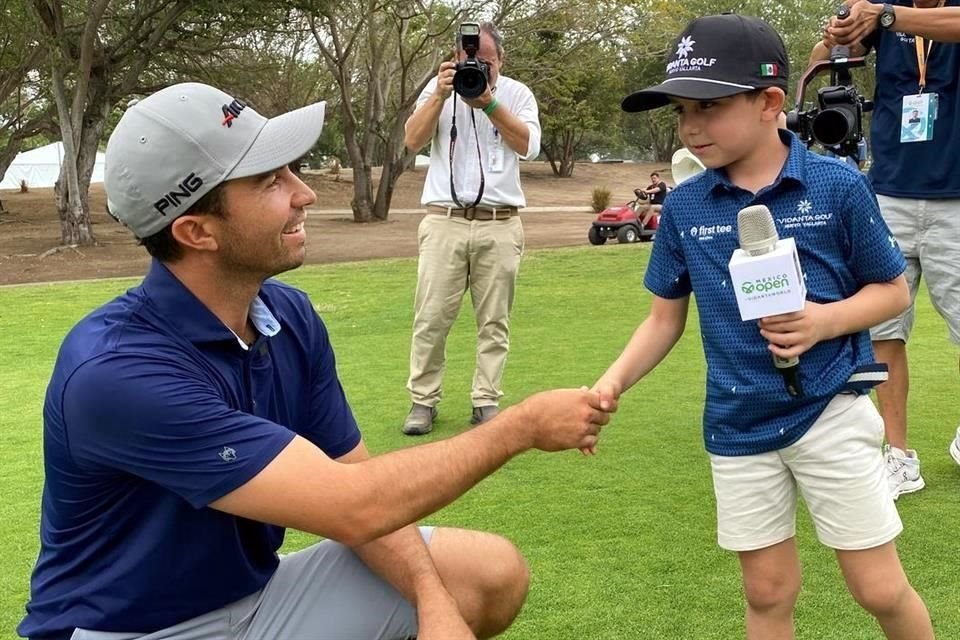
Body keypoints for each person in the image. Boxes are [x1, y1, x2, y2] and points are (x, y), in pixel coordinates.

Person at [17, 82, 614, 640]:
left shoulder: (286, 313)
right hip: (130, 629)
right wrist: (521, 427)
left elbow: (356, 477)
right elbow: (353, 506)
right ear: (197, 231)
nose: (303, 193)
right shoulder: (115, 372)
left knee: (485, 573)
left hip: (258, 599)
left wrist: (433, 601)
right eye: (270, 181)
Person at [602, 14, 933, 639]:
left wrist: (823, 322)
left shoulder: (836, 185)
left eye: (709, 106)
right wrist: (611, 384)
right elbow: (662, 319)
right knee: (766, 592)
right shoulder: (685, 205)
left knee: (879, 587)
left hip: (830, 411)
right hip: (735, 423)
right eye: (680, 110)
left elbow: (891, 291)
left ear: (769, 102)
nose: (691, 127)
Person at [811, 0, 960, 499]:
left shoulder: (899, 13)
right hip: (889, 193)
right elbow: (825, 58)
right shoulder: (878, 10)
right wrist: (842, 33)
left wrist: (887, 17)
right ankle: (898, 455)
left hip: (956, 197)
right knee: (884, 331)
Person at [401, 22, 541, 435]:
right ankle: (422, 402)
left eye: (487, 60)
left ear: (500, 60)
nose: (478, 66)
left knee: (494, 321)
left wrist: (488, 103)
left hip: (500, 224)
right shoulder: (439, 89)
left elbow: (528, 145)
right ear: (457, 57)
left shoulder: (517, 94)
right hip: (444, 222)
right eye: (470, 59)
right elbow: (412, 140)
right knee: (430, 318)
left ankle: (486, 400)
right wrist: (442, 95)